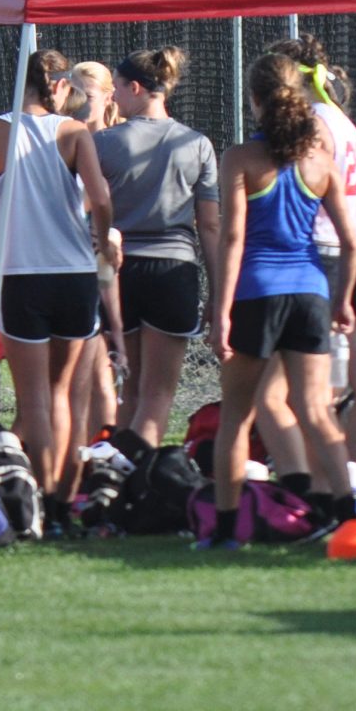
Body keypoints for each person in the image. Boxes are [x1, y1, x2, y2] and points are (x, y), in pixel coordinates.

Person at [0, 47, 115, 532]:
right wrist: (102, 242)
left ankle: (41, 504)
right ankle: (62, 500)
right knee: (63, 394)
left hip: (20, 274)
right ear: (62, 86)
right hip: (74, 273)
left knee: (36, 401)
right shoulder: (73, 133)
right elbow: (101, 198)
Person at [207, 54, 356, 547]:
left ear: (254, 100)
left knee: (236, 417)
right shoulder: (320, 159)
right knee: (317, 410)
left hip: (257, 291)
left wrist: (220, 313)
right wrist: (343, 300)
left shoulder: (240, 158)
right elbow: (351, 241)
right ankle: (351, 517)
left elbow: (233, 238)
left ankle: (226, 531)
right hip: (311, 291)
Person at [268, 35, 356, 466]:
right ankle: (344, 473)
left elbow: (296, 190)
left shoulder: (313, 122)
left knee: (297, 391)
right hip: (347, 252)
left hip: (315, 252)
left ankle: (315, 476)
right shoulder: (342, 120)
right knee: (355, 383)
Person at [99, 47, 220, 443]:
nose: (114, 97)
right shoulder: (196, 143)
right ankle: (140, 467)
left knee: (128, 388)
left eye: (117, 88)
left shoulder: (104, 143)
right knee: (158, 394)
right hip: (173, 271)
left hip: (118, 271)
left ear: (135, 88)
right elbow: (210, 225)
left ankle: (120, 469)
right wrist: (218, 292)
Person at [64, 61, 125, 440]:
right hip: (69, 261)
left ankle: (103, 445)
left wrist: (106, 235)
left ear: (107, 97)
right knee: (81, 373)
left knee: (103, 368)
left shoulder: (115, 142)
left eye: (86, 95)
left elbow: (113, 201)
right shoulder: (63, 138)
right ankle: (84, 448)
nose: (79, 103)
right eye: (73, 93)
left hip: (108, 263)